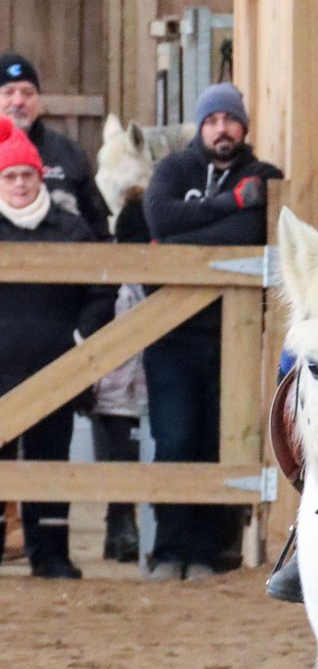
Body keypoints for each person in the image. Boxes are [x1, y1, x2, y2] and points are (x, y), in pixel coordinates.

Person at [143, 83, 282, 580]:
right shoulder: (172, 169)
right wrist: (230, 204)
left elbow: (249, 233)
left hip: (233, 336)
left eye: (230, 119)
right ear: (200, 127)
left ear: (243, 126)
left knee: (220, 442)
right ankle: (167, 551)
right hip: (170, 334)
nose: (221, 129)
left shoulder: (264, 176)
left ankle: (206, 553)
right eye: (212, 120)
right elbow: (157, 216)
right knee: (174, 441)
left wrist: (175, 243)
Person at [0, 117, 114, 578]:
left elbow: (101, 289)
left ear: (40, 177)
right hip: (0, 369)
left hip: (56, 368)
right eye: (10, 175)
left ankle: (51, 554)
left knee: (50, 460)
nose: (20, 183)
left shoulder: (71, 229)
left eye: (27, 174)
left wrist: (80, 340)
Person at [90, 197, 150, 563]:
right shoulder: (110, 281)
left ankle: (126, 530)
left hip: (144, 385)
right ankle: (119, 528)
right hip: (110, 388)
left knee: (134, 458)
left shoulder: (153, 281)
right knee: (117, 459)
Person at [0, 54, 109, 240]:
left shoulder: (68, 153)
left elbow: (97, 227)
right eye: (8, 92)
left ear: (39, 101)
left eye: (28, 93)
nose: (18, 101)